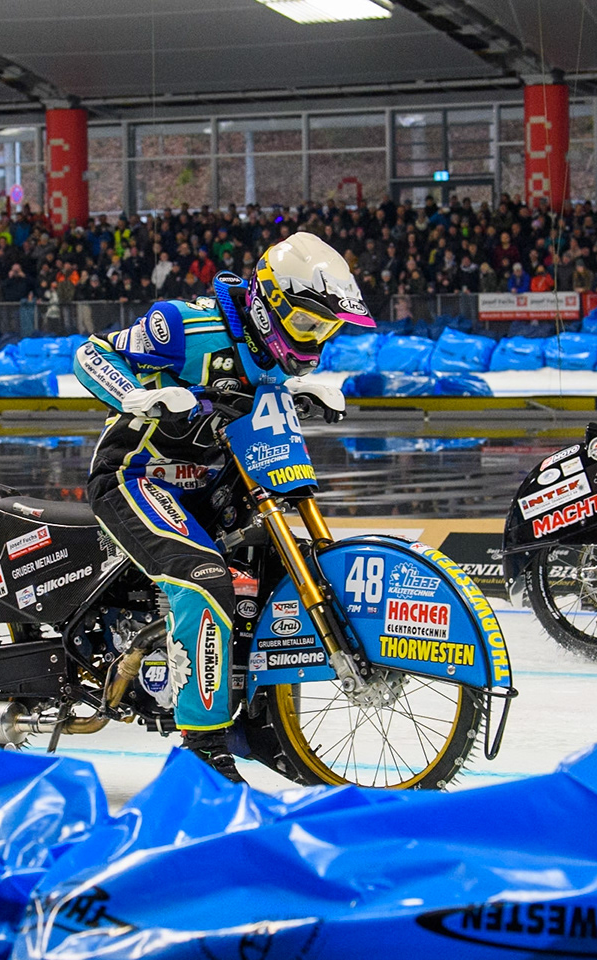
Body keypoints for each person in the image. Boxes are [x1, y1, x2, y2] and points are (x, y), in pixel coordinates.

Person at [72, 232, 371, 781]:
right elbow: (92, 353)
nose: (312, 340)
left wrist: (308, 391)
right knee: (206, 578)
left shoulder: (273, 353)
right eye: (305, 324)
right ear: (267, 303)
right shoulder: (185, 326)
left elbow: (251, 397)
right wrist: (135, 395)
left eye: (324, 329)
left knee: (274, 570)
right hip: (138, 476)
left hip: (215, 486)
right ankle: (202, 746)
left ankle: (260, 721)